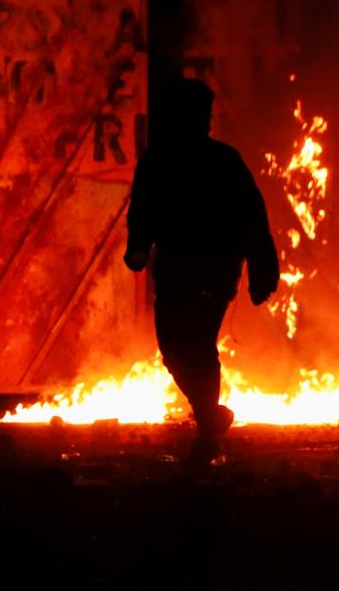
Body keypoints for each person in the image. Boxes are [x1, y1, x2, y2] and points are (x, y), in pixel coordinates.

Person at [123, 78, 280, 462]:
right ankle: (211, 417)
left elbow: (252, 217)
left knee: (198, 345)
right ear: (179, 118)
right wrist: (138, 248)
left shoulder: (223, 161)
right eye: (198, 115)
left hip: (215, 270)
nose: (204, 123)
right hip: (175, 271)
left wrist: (263, 268)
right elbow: (142, 210)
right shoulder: (158, 162)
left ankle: (209, 435)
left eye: (206, 115)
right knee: (173, 351)